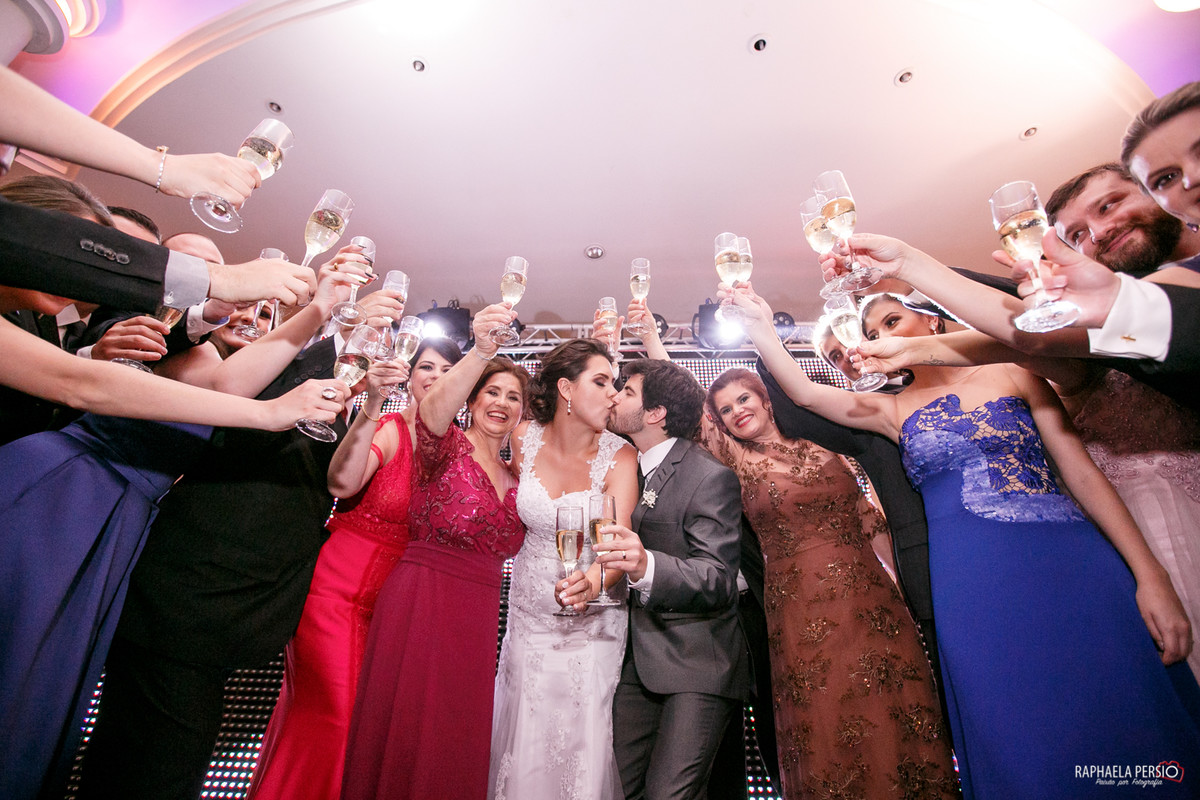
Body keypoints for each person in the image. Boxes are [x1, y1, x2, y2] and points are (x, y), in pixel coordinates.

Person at [727, 282, 1200, 798]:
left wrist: (1149, 574)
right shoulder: (891, 411)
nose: (881, 336)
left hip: (1070, 560)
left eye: (892, 321)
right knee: (1014, 726)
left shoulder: (1012, 372)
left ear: (930, 323)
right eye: (871, 333)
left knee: (1124, 707)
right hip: (969, 579)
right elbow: (805, 393)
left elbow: (1083, 475)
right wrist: (760, 325)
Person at [0, 256, 360, 800]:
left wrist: (322, 308)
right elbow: (87, 386)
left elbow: (224, 387)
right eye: (197, 265)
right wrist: (274, 407)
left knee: (49, 693)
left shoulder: (215, 364)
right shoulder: (140, 335)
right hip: (67, 496)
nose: (221, 278)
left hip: (122, 520)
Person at [247, 338, 462, 800]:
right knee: (336, 718)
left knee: (371, 734)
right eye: (426, 366)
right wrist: (373, 404)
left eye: (449, 370)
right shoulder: (387, 428)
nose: (436, 377)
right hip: (335, 598)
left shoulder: (460, 454)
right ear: (410, 375)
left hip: (396, 615)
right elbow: (343, 483)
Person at [341, 304, 529, 800]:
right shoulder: (442, 446)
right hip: (422, 598)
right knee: (406, 728)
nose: (503, 403)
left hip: (481, 614)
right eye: (492, 391)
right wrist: (483, 350)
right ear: (471, 397)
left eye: (514, 397)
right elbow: (430, 411)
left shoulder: (520, 480)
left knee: (454, 739)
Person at [580, 357, 749, 800]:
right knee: (618, 790)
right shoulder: (625, 468)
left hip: (697, 664)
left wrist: (645, 565)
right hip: (637, 665)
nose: (615, 396)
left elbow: (717, 578)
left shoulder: (709, 476)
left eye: (628, 391)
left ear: (656, 414)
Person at [488, 338, 638, 800]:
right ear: (566, 389)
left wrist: (592, 582)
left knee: (580, 745)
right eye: (601, 381)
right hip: (527, 619)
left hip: (593, 625)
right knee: (523, 738)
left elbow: (616, 544)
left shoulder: (621, 456)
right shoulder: (520, 438)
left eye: (614, 384)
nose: (613, 393)